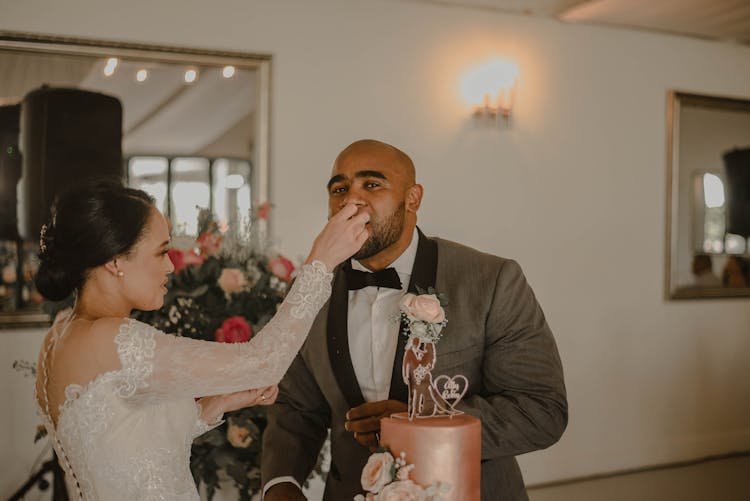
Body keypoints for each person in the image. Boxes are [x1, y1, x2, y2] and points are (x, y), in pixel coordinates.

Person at [262, 139, 568, 501]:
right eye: (339, 189)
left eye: (371, 184)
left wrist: (423, 425)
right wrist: (280, 483)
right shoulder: (310, 290)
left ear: (413, 198)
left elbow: (542, 411)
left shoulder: (491, 280)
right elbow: (297, 406)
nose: (351, 200)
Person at [33, 180, 370, 500]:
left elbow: (119, 448)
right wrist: (321, 262)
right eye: (161, 252)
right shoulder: (111, 339)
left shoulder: (59, 335)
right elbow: (263, 362)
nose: (170, 267)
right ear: (116, 260)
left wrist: (213, 406)